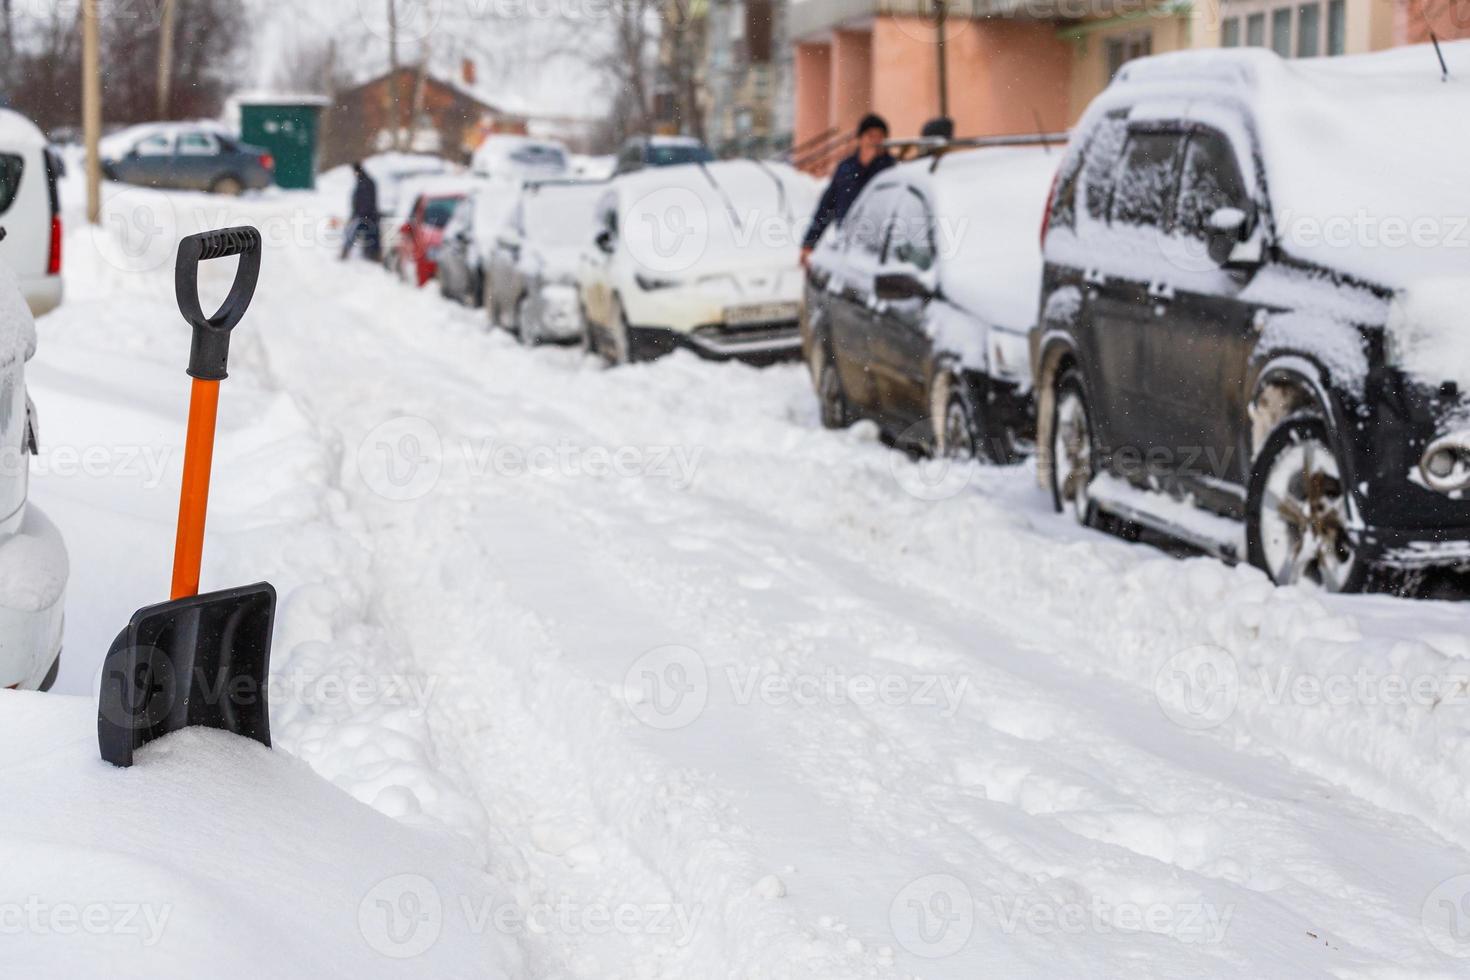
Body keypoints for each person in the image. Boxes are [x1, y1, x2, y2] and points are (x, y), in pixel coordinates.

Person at [800, 114, 896, 268]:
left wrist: (874, 164)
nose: (875, 141)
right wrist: (809, 243)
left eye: (880, 136)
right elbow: (827, 207)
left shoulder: (890, 169)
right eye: (870, 135)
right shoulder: (846, 168)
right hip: (846, 243)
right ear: (860, 138)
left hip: (877, 246)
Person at [341, 162, 381, 262]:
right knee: (370, 235)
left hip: (367, 214)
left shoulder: (366, 182)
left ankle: (373, 255)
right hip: (364, 214)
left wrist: (361, 213)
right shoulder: (363, 181)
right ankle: (371, 254)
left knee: (366, 234)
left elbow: (367, 200)